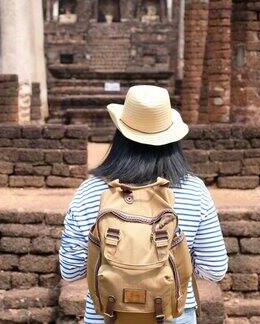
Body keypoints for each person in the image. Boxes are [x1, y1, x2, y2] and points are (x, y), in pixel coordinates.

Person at [58, 85, 228, 324]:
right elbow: (215, 268)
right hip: (173, 315)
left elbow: (70, 270)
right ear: (171, 138)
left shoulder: (91, 191)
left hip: (106, 315)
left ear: (120, 135)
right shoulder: (193, 190)